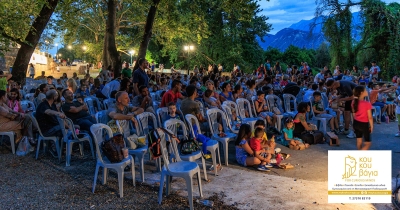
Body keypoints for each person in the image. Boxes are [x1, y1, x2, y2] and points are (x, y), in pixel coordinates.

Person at [35, 90, 66, 157]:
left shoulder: (52, 105)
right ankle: (54, 148)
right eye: (57, 95)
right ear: (54, 97)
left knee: (65, 127)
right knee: (63, 128)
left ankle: (60, 147)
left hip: (52, 126)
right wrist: (58, 113)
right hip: (46, 130)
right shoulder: (43, 105)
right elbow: (48, 111)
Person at [352, 86, 373, 150]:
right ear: (361, 93)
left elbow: (354, 114)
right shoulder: (367, 104)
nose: (367, 91)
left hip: (356, 122)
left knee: (359, 140)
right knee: (368, 143)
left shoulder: (354, 102)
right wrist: (371, 126)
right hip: (364, 124)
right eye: (365, 91)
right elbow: (370, 117)